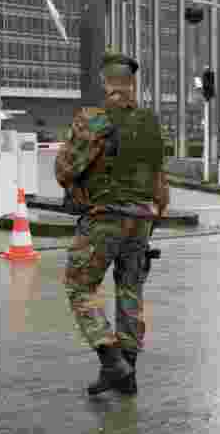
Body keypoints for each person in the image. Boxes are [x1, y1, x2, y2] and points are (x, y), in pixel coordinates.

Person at [55, 51, 170, 396]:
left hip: (104, 218)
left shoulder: (93, 119)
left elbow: (64, 170)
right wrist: (150, 217)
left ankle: (110, 358)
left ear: (105, 82)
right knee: (131, 292)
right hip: (142, 220)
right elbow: (161, 187)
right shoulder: (150, 122)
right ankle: (127, 375)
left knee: (80, 288)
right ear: (132, 83)